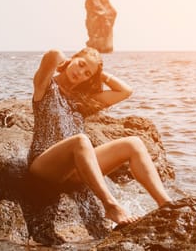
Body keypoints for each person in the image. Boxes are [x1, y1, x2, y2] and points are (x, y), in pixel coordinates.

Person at [28, 47, 172, 225]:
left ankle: (165, 204)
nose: (80, 73)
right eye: (80, 64)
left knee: (134, 143)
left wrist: (99, 74)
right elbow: (52, 55)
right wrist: (66, 62)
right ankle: (111, 206)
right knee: (81, 140)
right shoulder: (45, 86)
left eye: (87, 73)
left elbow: (125, 91)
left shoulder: (82, 99)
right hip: (44, 164)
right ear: (71, 59)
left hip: (76, 169)